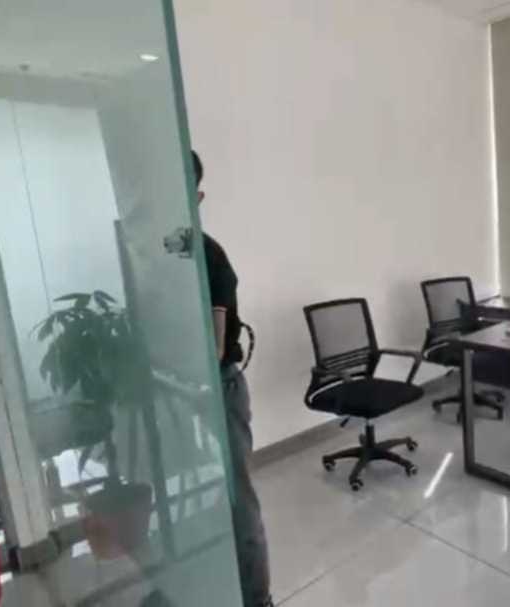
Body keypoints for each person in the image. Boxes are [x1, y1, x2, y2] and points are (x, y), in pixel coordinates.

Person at [192, 150, 272, 607]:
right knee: (211, 497)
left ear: (197, 197)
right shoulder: (166, 254)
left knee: (239, 504)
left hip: (218, 388)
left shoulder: (208, 256)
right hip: (183, 388)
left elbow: (214, 346)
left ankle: (257, 600)